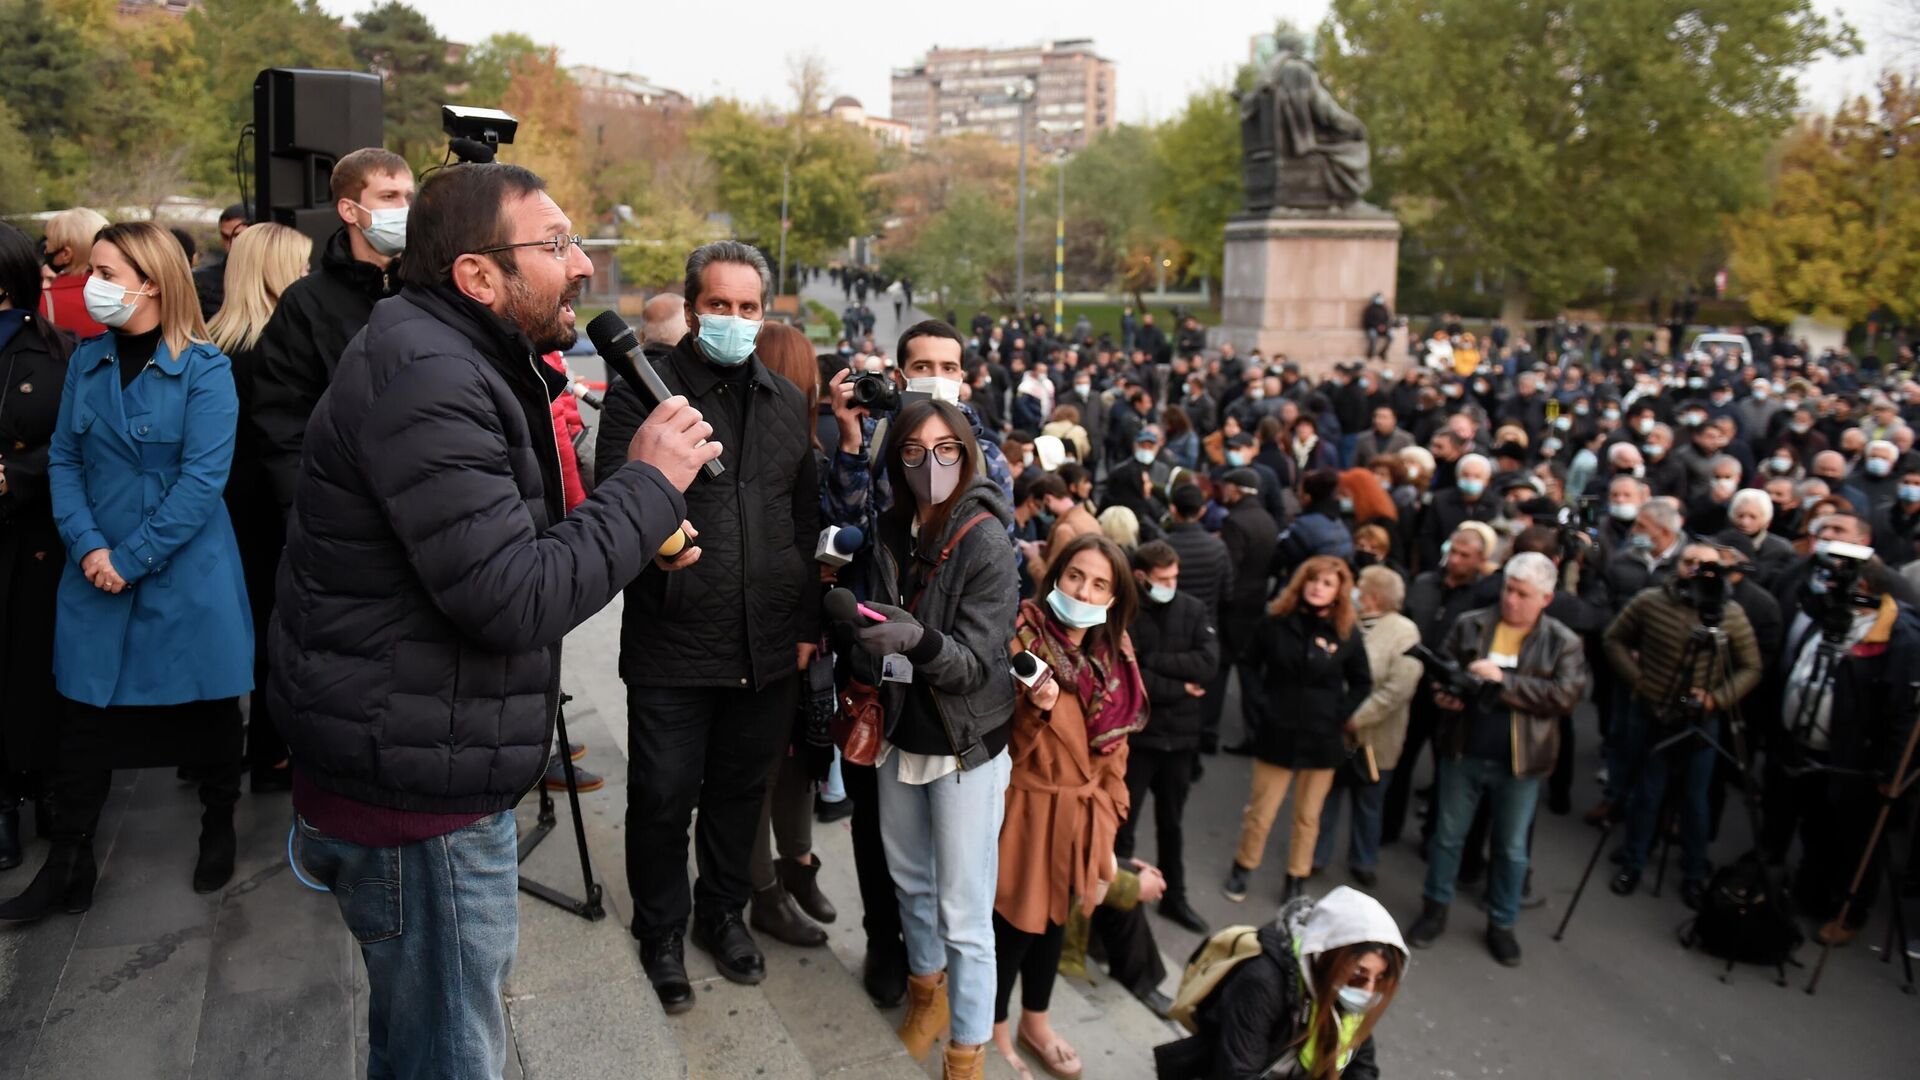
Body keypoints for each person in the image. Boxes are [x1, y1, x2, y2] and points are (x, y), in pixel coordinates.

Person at [271, 163, 714, 1079]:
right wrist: (646, 485)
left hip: (422, 749)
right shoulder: (431, 374)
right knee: (446, 1054)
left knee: (420, 1035)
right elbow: (511, 596)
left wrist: (634, 521)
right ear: (477, 276)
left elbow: (493, 541)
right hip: (416, 795)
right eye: (554, 246)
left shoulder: (447, 352)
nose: (583, 264)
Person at [592, 241, 821, 1009]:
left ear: (764, 314)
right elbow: (616, 492)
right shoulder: (644, 390)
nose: (733, 319)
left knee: (737, 792)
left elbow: (802, 517)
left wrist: (803, 620)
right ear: (693, 310)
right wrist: (659, 546)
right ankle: (661, 928)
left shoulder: (788, 403)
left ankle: (721, 914)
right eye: (718, 305)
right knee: (661, 795)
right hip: (674, 639)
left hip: (765, 645)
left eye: (747, 307)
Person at [2, 222, 252, 921]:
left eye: (107, 272)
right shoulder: (86, 361)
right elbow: (64, 461)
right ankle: (69, 863)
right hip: (96, 561)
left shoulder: (206, 370)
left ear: (151, 279)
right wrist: (88, 549)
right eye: (93, 269)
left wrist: (130, 557)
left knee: (207, 712)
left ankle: (217, 825)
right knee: (82, 714)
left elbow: (203, 482)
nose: (92, 285)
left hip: (182, 566)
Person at [846, 398, 1018, 1080]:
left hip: (963, 745)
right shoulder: (888, 528)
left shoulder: (986, 540)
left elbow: (975, 666)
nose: (931, 464)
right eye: (914, 451)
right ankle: (926, 995)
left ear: (967, 453)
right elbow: (874, 629)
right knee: (911, 881)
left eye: (947, 449)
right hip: (899, 733)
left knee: (964, 909)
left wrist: (918, 641)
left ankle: (967, 1052)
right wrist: (856, 632)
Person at [997, 534, 1146, 1080]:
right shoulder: (1022, 633)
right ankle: (992, 1032)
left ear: (1114, 596)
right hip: (1026, 805)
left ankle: (1036, 1022)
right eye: (1076, 575)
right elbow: (1000, 737)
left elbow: (1116, 751)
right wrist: (1035, 709)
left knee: (1056, 921)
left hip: (1084, 811)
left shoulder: (1116, 654)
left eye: (1100, 583)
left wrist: (1107, 824)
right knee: (1011, 920)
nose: (1084, 590)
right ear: (1056, 575)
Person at [1406, 552, 1589, 967]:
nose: (1511, 600)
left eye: (1522, 594)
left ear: (1545, 597)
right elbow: (1444, 670)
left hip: (1520, 763)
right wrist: (1444, 694)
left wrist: (1503, 683)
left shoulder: (1563, 641)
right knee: (1447, 837)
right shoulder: (1472, 623)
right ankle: (1434, 909)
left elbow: (1565, 696)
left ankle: (1502, 923)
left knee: (1510, 848)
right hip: (1463, 750)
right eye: (1508, 589)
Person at [740, 320, 838, 949]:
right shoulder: (779, 453)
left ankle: (797, 865)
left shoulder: (822, 444)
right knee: (761, 769)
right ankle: (763, 893)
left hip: (813, 634)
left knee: (800, 759)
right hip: (774, 633)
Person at [204, 222, 312, 791]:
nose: (308, 277)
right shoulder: (281, 350)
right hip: (271, 510)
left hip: (218, 511)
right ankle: (270, 755)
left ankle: (214, 756)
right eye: (300, 266)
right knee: (277, 631)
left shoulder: (206, 347)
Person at [1602, 542, 1762, 906]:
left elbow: (1751, 667)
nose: (1696, 570)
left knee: (1695, 800)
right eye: (1689, 562)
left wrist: (1717, 698)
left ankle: (1693, 871)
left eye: (1705, 565)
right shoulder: (1650, 601)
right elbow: (1613, 638)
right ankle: (1633, 861)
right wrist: (1638, 680)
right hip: (1653, 711)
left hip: (1701, 720)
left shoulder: (1731, 614)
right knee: (1647, 792)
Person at [252, 147, 413, 509]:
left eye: (408, 197)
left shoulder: (430, 291)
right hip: (340, 513)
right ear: (349, 210)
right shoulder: (306, 303)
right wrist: (307, 514)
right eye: (389, 197)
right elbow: (282, 425)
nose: (404, 209)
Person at [1224, 556, 1372, 905]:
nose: (1318, 588)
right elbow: (1247, 663)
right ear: (1301, 583)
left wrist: (1339, 715)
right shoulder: (1275, 622)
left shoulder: (1346, 632)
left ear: (1339, 592)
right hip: (1277, 730)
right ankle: (1243, 866)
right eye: (1313, 580)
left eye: (1327, 583)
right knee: (1261, 811)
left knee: (1308, 817)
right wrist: (1259, 706)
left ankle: (1296, 877)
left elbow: (1363, 681)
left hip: (1322, 739)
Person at [1156, 886, 1407, 1080]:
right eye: (1360, 974)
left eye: (1380, 978)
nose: (1368, 989)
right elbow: (1237, 1073)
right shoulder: (1264, 983)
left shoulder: (1345, 997)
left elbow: (1362, 1065)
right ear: (1330, 956)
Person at [0, 224, 73, 870]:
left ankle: (49, 785)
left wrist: (14, 475)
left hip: (34, 537)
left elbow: (81, 446)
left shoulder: (56, 350)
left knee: (36, 665)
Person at [1119, 540, 1219, 934]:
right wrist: (1181, 686)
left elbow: (1208, 663)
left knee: (1172, 824)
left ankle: (1174, 896)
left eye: (1174, 578)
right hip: (1141, 740)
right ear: (1142, 577)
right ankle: (1119, 905)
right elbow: (1132, 678)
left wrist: (1154, 664)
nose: (1171, 585)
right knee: (1123, 827)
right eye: (1163, 579)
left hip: (1179, 741)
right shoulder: (1128, 613)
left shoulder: (1193, 610)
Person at [1313, 566, 1422, 889]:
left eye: (1359, 587)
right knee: (1326, 796)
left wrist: (1356, 717)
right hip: (1336, 731)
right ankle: (1315, 855)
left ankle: (1363, 860)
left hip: (1375, 737)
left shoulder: (1404, 632)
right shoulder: (1347, 620)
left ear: (1373, 596)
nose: (1354, 592)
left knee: (1369, 802)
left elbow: (1398, 688)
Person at [1217, 469, 1279, 757]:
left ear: (1237, 490)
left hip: (1236, 606)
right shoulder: (1267, 519)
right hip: (1256, 602)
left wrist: (1223, 599)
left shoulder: (1235, 522)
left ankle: (1212, 730)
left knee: (1226, 667)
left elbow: (1230, 568)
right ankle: (1257, 731)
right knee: (1251, 671)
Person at [36, 208, 110, 338]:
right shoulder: (125, 294)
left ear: (66, 254)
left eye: (49, 241)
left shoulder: (41, 302)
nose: (46, 248)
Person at [191, 203, 250, 321]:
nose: (232, 244)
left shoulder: (272, 277)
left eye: (238, 236)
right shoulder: (201, 281)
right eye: (226, 237)